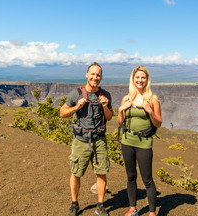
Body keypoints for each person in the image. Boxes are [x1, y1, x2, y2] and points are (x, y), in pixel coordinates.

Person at [60, 62, 114, 216]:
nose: (95, 77)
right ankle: (74, 204)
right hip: (81, 140)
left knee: (101, 172)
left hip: (99, 140)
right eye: (92, 74)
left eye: (98, 75)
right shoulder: (76, 93)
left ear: (101, 77)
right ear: (86, 75)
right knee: (76, 173)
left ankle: (101, 205)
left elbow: (109, 117)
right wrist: (77, 107)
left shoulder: (106, 94)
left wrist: (105, 106)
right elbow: (62, 113)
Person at [117, 65, 162, 216]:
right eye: (137, 77)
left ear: (147, 80)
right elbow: (119, 123)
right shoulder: (126, 98)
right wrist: (120, 110)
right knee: (130, 176)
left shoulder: (152, 98)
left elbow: (158, 123)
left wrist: (149, 110)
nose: (140, 80)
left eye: (143, 77)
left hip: (144, 142)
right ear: (133, 79)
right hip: (127, 141)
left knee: (147, 178)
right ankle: (133, 209)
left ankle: (151, 212)